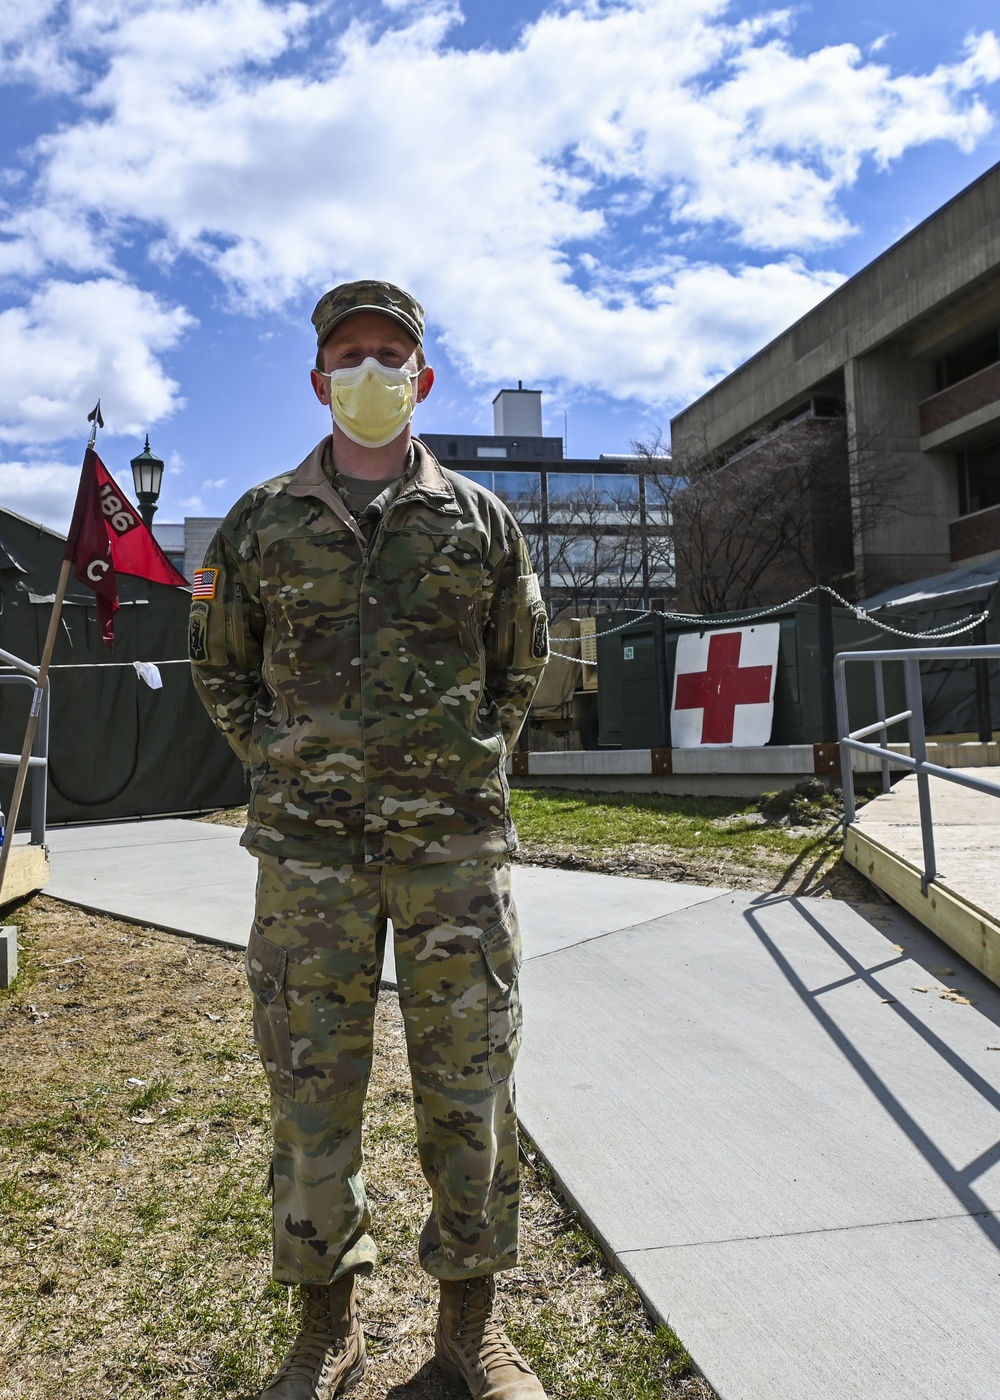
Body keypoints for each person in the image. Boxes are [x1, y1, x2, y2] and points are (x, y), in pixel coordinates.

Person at [189, 279, 550, 1400]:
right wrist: (290, 759)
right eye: (348, 354)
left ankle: (468, 1332)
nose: (370, 372)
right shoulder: (259, 522)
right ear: (317, 379)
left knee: (472, 1089)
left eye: (389, 354)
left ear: (422, 377)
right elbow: (221, 668)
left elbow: (519, 662)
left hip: (452, 855)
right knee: (309, 1093)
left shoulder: (481, 521)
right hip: (308, 862)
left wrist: (463, 760)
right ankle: (327, 1328)